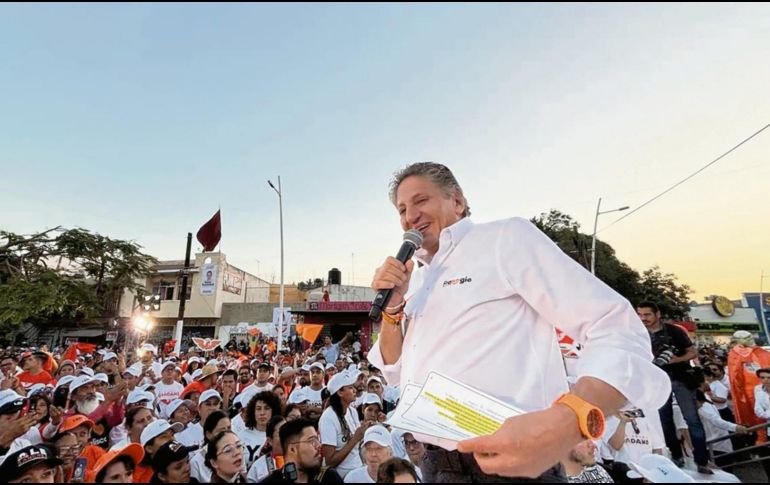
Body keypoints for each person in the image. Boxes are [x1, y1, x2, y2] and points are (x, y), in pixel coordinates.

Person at [368, 162, 668, 481]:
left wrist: (569, 421)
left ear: (456, 201)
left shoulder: (503, 239)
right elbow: (394, 371)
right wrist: (394, 307)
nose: (409, 216)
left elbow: (616, 327)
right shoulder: (417, 278)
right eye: (401, 209)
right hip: (437, 465)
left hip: (510, 464)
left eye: (421, 200)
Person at [637, 300, 711, 473]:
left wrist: (676, 359)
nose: (643, 318)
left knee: (692, 419)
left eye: (647, 314)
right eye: (640, 315)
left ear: (657, 314)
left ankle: (702, 461)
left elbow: (692, 352)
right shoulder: (638, 333)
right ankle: (676, 456)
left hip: (681, 379)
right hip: (656, 382)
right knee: (665, 421)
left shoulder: (674, 331)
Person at [319, 370, 370, 478]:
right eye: (350, 387)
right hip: (341, 476)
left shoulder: (352, 411)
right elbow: (330, 462)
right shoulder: (328, 418)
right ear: (340, 392)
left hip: (358, 469)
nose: (354, 390)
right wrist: (355, 439)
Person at [261, 418, 344, 483]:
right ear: (292, 449)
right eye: (312, 441)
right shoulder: (272, 481)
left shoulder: (329, 478)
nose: (319, 445)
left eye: (318, 440)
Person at [695, 390, 748, 466]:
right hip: (713, 445)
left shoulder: (704, 397)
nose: (701, 405)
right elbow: (715, 420)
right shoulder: (701, 411)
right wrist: (735, 427)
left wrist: (735, 427)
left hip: (720, 441)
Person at [239, 391, 282, 469]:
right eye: (258, 409)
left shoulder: (279, 437)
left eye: (267, 408)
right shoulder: (241, 436)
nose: (262, 413)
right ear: (253, 412)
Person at [189, 410, 231, 483]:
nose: (227, 434)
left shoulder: (236, 453)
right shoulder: (196, 462)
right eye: (221, 431)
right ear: (209, 434)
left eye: (229, 428)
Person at [247, 416, 286, 483]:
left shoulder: (300, 460)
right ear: (270, 440)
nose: (286, 436)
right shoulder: (257, 467)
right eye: (281, 433)